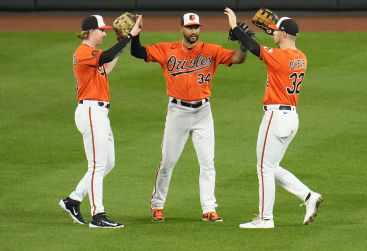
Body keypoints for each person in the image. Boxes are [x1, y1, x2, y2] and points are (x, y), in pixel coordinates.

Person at [131, 13, 247, 222]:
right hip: (178, 112)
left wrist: (245, 45)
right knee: (168, 161)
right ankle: (157, 205)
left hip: (203, 113)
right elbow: (138, 53)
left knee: (207, 162)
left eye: (196, 27)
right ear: (181, 28)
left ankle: (209, 209)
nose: (194, 31)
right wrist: (135, 36)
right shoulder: (167, 49)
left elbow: (237, 58)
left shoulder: (211, 50)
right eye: (190, 27)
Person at [224, 8, 323, 229]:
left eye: (277, 31)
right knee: (270, 166)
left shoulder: (280, 57)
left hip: (276, 117)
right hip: (291, 118)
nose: (273, 33)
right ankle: (309, 196)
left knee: (264, 168)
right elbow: (265, 45)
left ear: (285, 35)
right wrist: (262, 32)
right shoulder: (300, 57)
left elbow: (254, 48)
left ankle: (265, 218)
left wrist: (233, 26)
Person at [59, 14, 142, 228]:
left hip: (99, 113)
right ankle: (98, 216)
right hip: (90, 111)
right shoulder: (84, 52)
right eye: (101, 30)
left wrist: (123, 43)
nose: (105, 33)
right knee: (97, 164)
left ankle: (73, 200)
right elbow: (105, 57)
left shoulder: (93, 55)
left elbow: (106, 66)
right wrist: (128, 37)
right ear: (89, 32)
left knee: (108, 163)